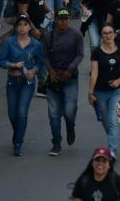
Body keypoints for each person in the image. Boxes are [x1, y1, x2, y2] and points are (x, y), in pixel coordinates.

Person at [0, 15, 42, 156]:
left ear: (30, 27)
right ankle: (17, 134)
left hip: (27, 83)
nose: (22, 27)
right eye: (19, 25)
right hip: (12, 82)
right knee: (12, 114)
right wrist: (12, 65)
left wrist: (33, 71)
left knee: (22, 113)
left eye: (25, 24)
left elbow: (40, 62)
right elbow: (1, 61)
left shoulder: (36, 44)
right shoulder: (9, 43)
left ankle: (18, 143)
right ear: (16, 28)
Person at [43, 9, 84, 156]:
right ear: (56, 20)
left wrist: (70, 69)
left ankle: (70, 127)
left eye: (66, 18)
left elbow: (80, 54)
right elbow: (45, 56)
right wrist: (51, 71)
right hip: (54, 79)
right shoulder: (49, 36)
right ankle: (56, 143)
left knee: (69, 111)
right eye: (61, 19)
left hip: (70, 78)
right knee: (53, 114)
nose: (63, 21)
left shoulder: (76, 34)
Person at [88, 25, 120, 158]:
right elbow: (94, 72)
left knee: (113, 121)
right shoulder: (97, 52)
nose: (108, 35)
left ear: (114, 35)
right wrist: (90, 92)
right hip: (100, 92)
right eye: (104, 33)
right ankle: (113, 137)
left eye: (110, 32)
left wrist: (119, 80)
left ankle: (112, 151)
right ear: (101, 36)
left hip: (116, 91)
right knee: (105, 121)